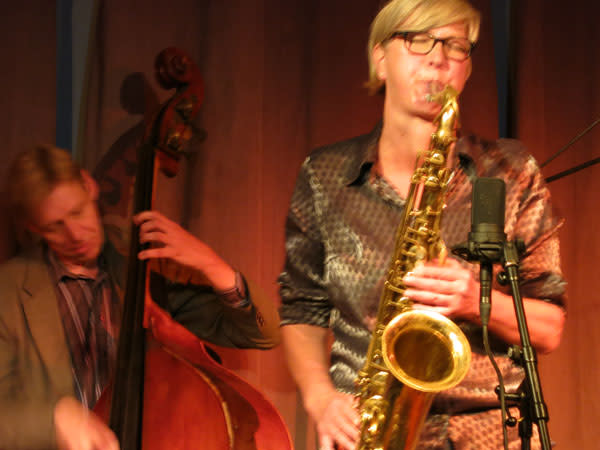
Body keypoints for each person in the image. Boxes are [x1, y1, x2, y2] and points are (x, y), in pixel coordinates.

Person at [278, 1, 566, 449]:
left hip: (489, 434)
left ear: (467, 69)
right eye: (418, 41)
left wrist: (475, 301)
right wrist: (320, 398)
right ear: (379, 59)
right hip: (369, 428)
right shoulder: (324, 175)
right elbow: (301, 309)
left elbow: (549, 327)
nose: (438, 59)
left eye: (455, 45)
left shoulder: (511, 171)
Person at [0, 145, 281, 449]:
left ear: (89, 185)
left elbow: (263, 333)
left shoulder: (145, 265)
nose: (75, 235)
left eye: (77, 213)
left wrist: (213, 265)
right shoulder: (9, 289)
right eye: (55, 227)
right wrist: (53, 419)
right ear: (34, 227)